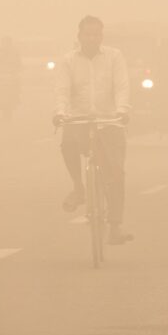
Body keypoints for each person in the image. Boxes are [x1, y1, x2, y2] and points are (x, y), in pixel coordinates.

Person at [53, 15, 132, 245]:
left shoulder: (114, 57)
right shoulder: (67, 61)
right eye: (88, 33)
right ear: (79, 36)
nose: (92, 38)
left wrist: (122, 110)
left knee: (115, 173)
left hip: (109, 121)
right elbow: (61, 91)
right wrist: (60, 113)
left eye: (96, 34)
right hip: (79, 120)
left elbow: (122, 86)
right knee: (67, 143)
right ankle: (79, 187)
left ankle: (115, 226)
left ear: (101, 36)